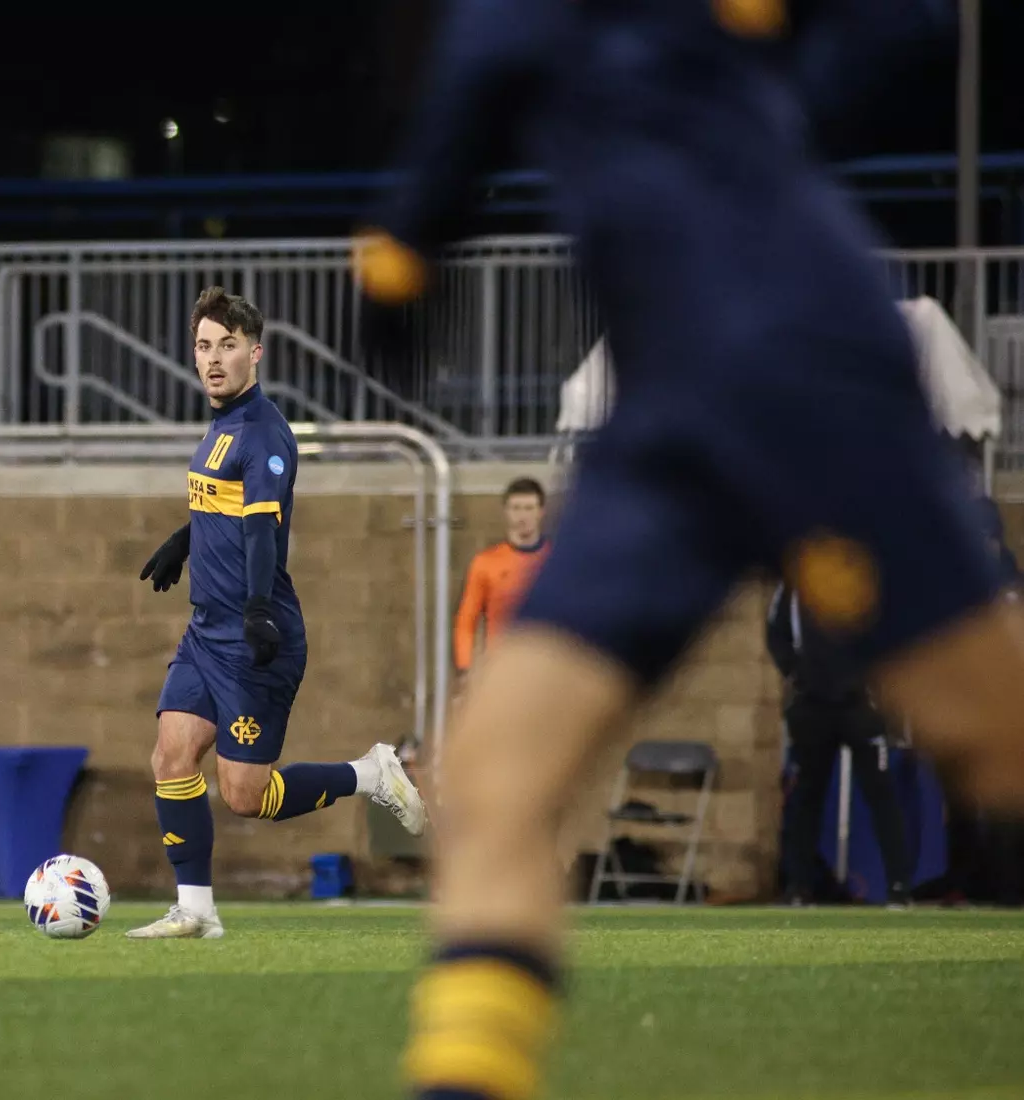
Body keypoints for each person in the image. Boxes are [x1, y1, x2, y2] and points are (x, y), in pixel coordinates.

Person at [351, 5, 1024, 1098]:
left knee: (991, 739)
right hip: (667, 400)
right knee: (489, 778)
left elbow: (443, 154)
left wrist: (395, 263)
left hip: (800, 367)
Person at [125, 286, 427, 940]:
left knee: (244, 797)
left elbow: (264, 529)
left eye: (226, 346)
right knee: (170, 756)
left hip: (254, 638)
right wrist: (186, 540)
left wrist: (258, 611)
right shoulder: (219, 425)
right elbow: (225, 506)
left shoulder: (265, 432)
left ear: (253, 353)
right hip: (204, 634)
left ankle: (370, 773)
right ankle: (195, 911)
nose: (212, 359)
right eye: (203, 345)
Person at [766, 581, 911, 906]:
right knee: (806, 797)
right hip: (811, 705)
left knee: (882, 795)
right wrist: (796, 672)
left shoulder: (869, 571)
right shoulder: (791, 583)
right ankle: (800, 889)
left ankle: (899, 887)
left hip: (862, 706)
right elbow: (776, 633)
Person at [453, 478, 550, 680]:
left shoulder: (558, 559)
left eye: (529, 508)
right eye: (516, 508)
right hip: (501, 670)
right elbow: (466, 621)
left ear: (541, 512)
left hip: (547, 670)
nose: (522, 516)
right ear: (506, 511)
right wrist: (465, 669)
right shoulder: (486, 563)